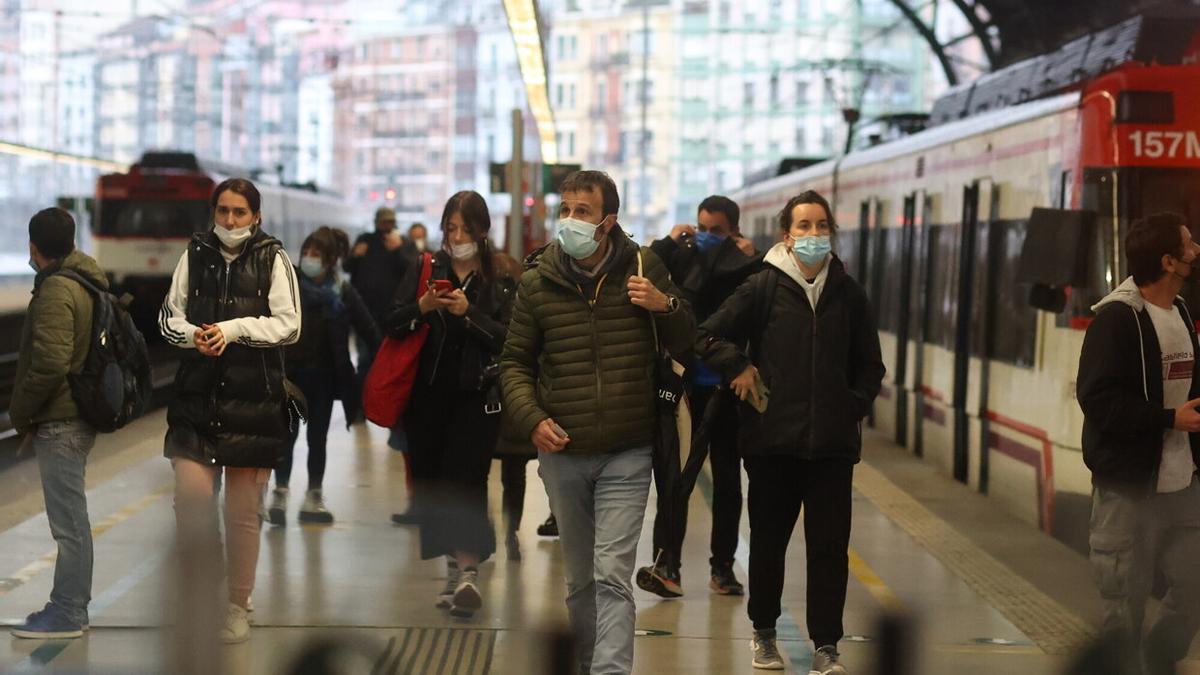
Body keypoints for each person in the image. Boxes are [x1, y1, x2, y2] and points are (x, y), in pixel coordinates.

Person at [500, 170, 694, 675]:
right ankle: (585, 663)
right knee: (580, 580)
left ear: (608, 220)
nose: (569, 220)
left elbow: (688, 338)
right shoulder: (538, 279)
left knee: (612, 575)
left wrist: (664, 304)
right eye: (564, 209)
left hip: (628, 450)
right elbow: (514, 363)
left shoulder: (643, 266)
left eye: (581, 211)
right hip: (562, 451)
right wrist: (532, 418)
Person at [696, 190, 884, 673]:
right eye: (804, 226)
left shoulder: (849, 293)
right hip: (772, 445)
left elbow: (870, 365)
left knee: (828, 551)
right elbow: (706, 335)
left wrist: (852, 407)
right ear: (787, 234)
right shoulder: (761, 287)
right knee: (768, 545)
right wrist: (737, 364)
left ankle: (826, 647)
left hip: (832, 450)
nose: (814, 235)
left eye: (822, 226)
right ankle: (763, 634)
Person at [158, 178, 301, 644]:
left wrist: (232, 329)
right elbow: (168, 317)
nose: (230, 221)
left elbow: (289, 325)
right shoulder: (194, 254)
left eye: (240, 212)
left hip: (253, 403)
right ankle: (210, 588)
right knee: (193, 502)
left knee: (242, 513)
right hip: (196, 401)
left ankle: (237, 605)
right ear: (213, 213)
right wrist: (192, 336)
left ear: (256, 216)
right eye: (223, 211)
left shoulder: (273, 258)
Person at [1077, 211, 1200, 675]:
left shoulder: (1182, 312)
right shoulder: (1116, 321)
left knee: (1194, 583)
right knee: (1122, 604)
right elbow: (1099, 402)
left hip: (1183, 482)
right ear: (1169, 261)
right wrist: (1170, 419)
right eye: (1188, 246)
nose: (1196, 252)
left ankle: (1160, 654)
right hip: (1129, 487)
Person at [382, 190, 515, 618]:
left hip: (478, 397)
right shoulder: (424, 269)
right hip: (427, 397)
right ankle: (455, 571)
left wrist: (468, 313)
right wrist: (422, 307)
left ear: (482, 232)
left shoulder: (501, 276)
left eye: (465, 229)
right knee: (436, 483)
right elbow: (391, 322)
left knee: (467, 480)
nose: (456, 237)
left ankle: (470, 571)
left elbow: (510, 337)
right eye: (450, 228)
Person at [637, 195, 762, 599]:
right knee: (675, 478)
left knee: (728, 482)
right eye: (701, 228)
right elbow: (646, 266)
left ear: (734, 230)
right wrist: (670, 242)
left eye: (717, 231)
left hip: (728, 387)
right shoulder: (681, 257)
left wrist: (753, 256)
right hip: (685, 386)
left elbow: (759, 300)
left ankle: (722, 567)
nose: (707, 237)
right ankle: (666, 563)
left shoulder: (747, 267)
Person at [9, 208, 106, 639]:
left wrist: (22, 412)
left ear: (33, 246)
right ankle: (67, 606)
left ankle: (68, 611)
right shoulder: (85, 280)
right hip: (75, 416)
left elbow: (49, 364)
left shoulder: (55, 291)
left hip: (62, 421)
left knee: (68, 525)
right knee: (71, 521)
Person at [266, 226, 381, 526]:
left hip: (326, 377)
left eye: (315, 254)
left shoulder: (342, 292)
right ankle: (280, 493)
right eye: (306, 252)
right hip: (290, 376)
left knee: (318, 438)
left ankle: (313, 497)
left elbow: (370, 330)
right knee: (286, 436)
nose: (307, 258)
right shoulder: (286, 286)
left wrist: (385, 366)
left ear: (330, 260)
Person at [344, 206, 409, 377]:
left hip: (391, 314)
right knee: (365, 359)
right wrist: (355, 255)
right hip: (364, 312)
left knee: (389, 360)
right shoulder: (365, 240)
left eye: (391, 222)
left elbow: (410, 271)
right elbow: (346, 267)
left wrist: (398, 250)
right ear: (376, 223)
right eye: (384, 222)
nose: (387, 226)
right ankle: (362, 399)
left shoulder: (402, 243)